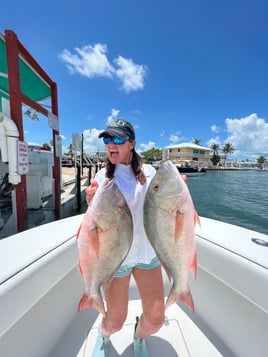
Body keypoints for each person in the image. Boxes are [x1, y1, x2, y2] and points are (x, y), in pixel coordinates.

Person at [86, 119, 165, 357]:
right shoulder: (101, 177)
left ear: (131, 144)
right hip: (116, 259)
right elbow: (96, 223)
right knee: (114, 321)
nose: (111, 143)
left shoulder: (150, 173)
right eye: (107, 139)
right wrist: (89, 203)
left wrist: (178, 189)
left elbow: (165, 206)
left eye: (118, 139)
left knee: (156, 320)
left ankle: (139, 337)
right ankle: (104, 335)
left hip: (147, 255)